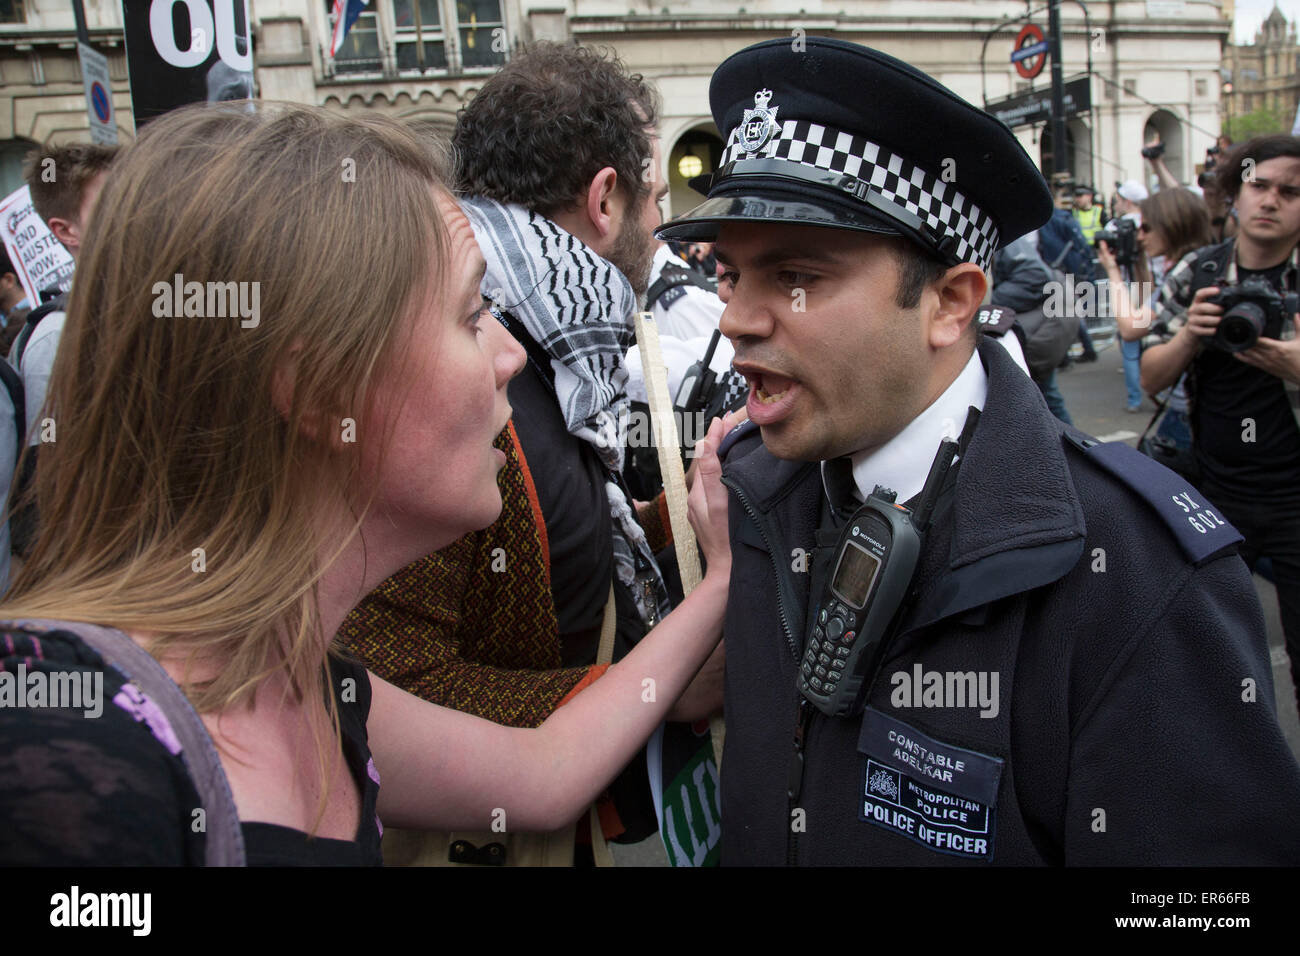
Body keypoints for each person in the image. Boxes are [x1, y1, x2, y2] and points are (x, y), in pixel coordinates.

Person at [0, 103, 732, 865]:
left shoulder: (301, 675)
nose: (510, 354)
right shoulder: (66, 748)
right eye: (472, 313)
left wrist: (717, 585)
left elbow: (541, 775)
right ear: (319, 387)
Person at [655, 36, 1300, 865]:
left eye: (795, 278)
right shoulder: (752, 487)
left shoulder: (1138, 575)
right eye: (732, 275)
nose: (736, 319)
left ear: (952, 303)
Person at [339, 42, 724, 865]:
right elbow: (387, 686)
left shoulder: (568, 348)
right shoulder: (442, 381)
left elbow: (562, 546)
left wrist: (672, 519)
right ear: (605, 199)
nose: (499, 354)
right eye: (654, 198)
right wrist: (655, 689)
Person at [1140, 134, 1300, 714]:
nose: (1271, 200)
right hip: (1218, 490)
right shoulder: (1199, 270)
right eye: (1259, 185)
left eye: (1291, 191)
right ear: (1235, 194)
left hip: (1295, 496)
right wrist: (1190, 333)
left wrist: (1292, 363)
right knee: (1215, 655)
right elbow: (1152, 376)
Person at [1098, 186, 1212, 448]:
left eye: (1146, 228)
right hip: (1186, 407)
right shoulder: (1201, 264)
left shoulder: (1191, 270)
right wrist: (1138, 263)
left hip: (1187, 413)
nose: (1140, 236)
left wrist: (1113, 271)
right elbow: (1149, 299)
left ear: (1172, 226)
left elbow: (1131, 326)